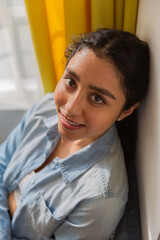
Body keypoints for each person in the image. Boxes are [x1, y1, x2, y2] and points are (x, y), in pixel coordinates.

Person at [0, 28, 150, 240]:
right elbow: (1, 163)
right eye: (71, 82)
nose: (70, 108)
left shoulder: (99, 198)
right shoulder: (44, 108)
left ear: (126, 110)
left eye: (97, 98)